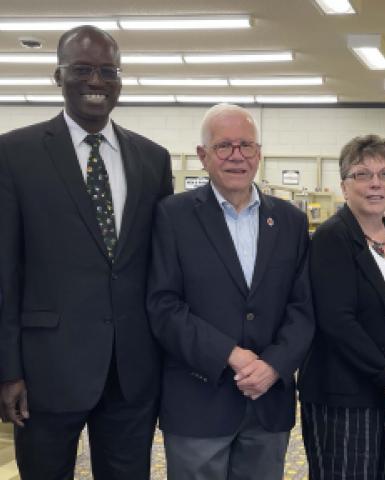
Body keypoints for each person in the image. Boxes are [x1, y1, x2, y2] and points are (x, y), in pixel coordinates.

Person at [0, 26, 173, 479]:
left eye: (107, 70)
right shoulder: (15, 155)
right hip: (45, 372)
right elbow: (4, 271)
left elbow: (161, 267)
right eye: (82, 69)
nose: (96, 80)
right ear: (58, 75)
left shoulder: (153, 160)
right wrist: (7, 369)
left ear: (119, 79)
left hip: (132, 371)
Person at [146, 103, 314, 480]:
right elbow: (163, 306)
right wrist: (232, 356)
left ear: (259, 154)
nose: (237, 156)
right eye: (224, 146)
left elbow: (303, 308)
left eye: (246, 146)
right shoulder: (172, 216)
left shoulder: (289, 221)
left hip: (268, 402)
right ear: (203, 156)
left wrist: (273, 365)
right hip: (198, 401)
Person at [298, 134, 385, 479]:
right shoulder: (332, 237)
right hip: (343, 394)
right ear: (344, 185)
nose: (375, 184)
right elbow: (337, 321)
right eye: (362, 174)